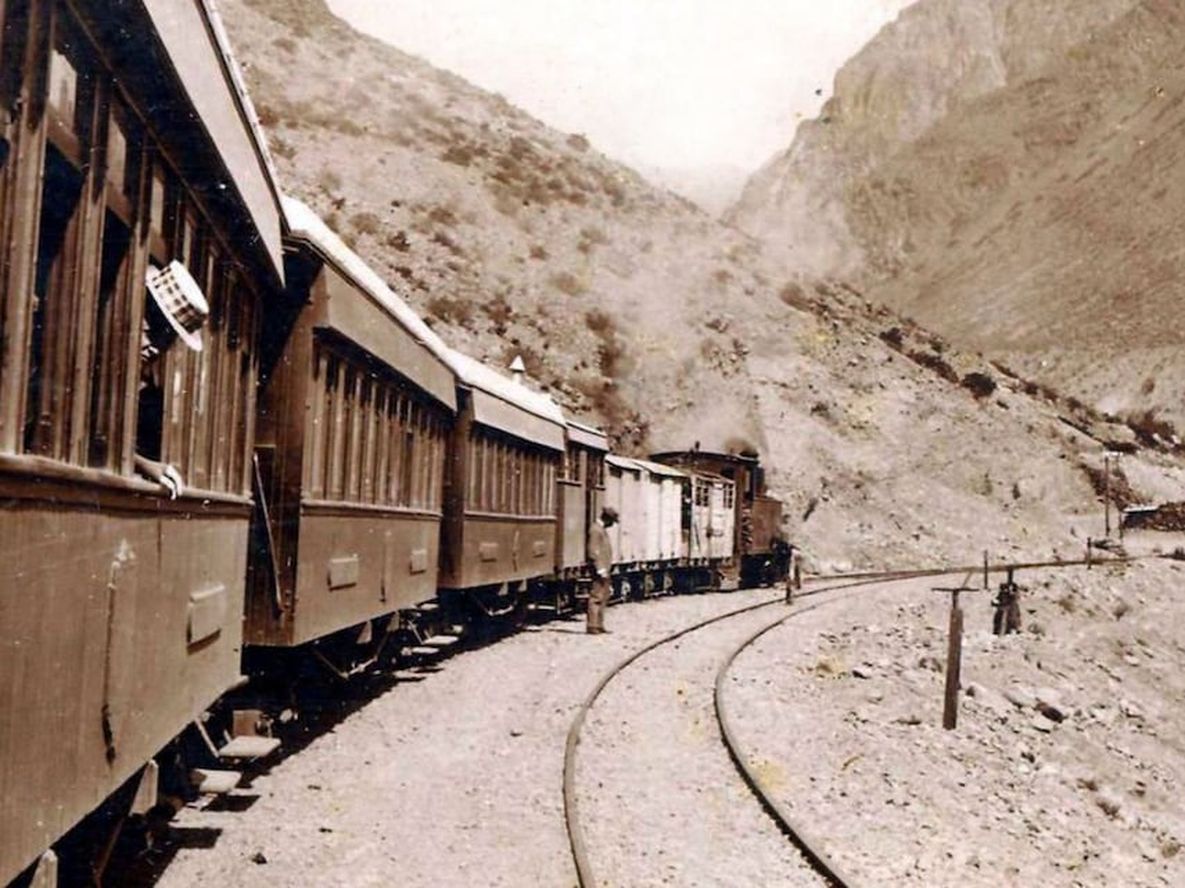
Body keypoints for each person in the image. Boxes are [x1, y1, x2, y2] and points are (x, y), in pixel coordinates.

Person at [587, 507, 617, 634]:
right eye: (612, 521)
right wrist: (600, 568)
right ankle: (592, 625)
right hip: (600, 569)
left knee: (603, 596)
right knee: (596, 596)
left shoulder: (601, 530)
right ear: (607, 518)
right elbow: (593, 551)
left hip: (604, 568)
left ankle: (599, 624)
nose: (612, 524)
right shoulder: (596, 530)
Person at [993, 567, 1022, 635]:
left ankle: (1012, 630)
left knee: (1012, 620)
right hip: (1006, 610)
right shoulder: (1003, 595)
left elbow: (1011, 601)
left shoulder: (1012, 597)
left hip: (1011, 610)